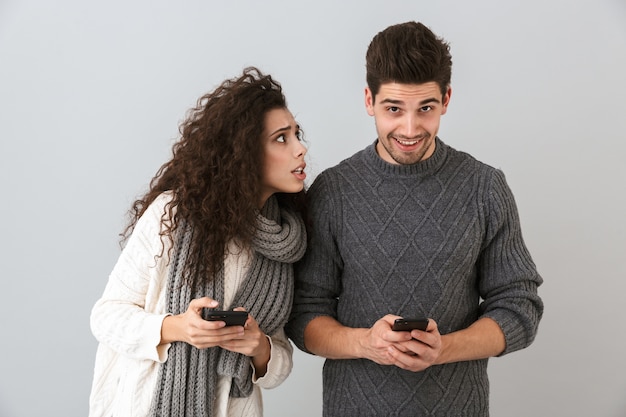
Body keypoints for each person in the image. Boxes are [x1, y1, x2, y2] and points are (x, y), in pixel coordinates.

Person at [286, 21, 544, 416]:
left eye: (426, 108)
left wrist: (443, 350)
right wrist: (366, 344)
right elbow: (304, 312)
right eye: (393, 109)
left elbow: (519, 307)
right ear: (369, 100)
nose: (409, 129)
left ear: (447, 99)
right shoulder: (334, 190)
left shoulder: (484, 187)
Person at [89, 67, 308, 417]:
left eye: (298, 135)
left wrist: (259, 347)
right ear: (245, 151)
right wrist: (178, 327)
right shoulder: (173, 215)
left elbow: (278, 362)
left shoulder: (286, 240)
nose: (300, 149)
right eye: (282, 138)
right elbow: (105, 317)